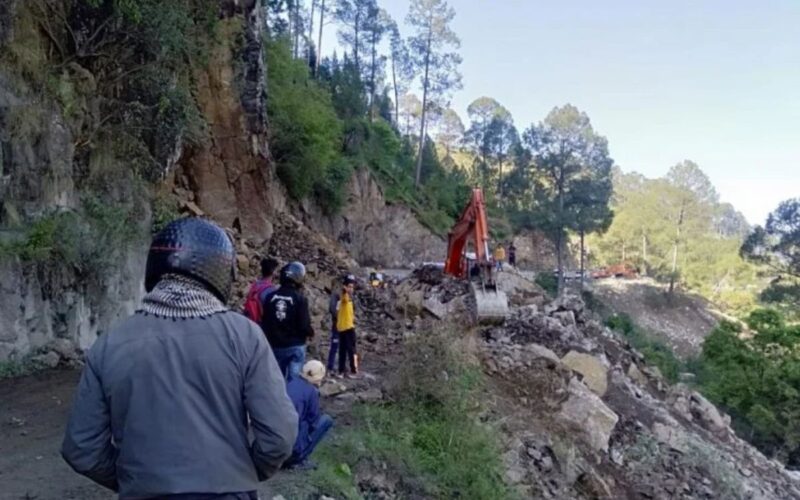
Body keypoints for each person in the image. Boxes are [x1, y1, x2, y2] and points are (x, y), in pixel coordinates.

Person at [61, 217, 298, 499]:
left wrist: (134, 481)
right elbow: (279, 435)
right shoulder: (244, 336)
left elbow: (81, 448)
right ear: (220, 272)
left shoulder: (110, 343)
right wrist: (243, 472)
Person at [262, 262, 314, 380]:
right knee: (293, 380)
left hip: (275, 346)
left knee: (276, 379)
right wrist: (311, 332)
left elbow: (265, 322)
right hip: (294, 346)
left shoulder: (270, 297)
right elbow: (304, 326)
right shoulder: (300, 299)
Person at [283, 360, 334, 470]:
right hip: (291, 451)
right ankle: (298, 459)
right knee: (326, 420)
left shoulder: (290, 384)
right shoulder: (312, 392)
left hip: (276, 446)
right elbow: (313, 422)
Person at [243, 257, 280, 323]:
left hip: (249, 320)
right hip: (260, 323)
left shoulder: (255, 285)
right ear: (273, 272)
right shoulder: (271, 290)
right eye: (276, 270)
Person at [337, 274, 359, 377]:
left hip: (346, 327)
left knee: (348, 350)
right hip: (345, 328)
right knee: (347, 351)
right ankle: (348, 370)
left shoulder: (349, 298)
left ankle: (348, 370)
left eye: (352, 287)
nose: (351, 289)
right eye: (349, 287)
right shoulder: (344, 296)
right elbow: (344, 298)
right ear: (345, 286)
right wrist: (345, 290)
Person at [326, 279, 341, 372]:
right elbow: (332, 309)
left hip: (342, 324)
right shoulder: (335, 296)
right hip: (337, 324)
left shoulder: (342, 296)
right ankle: (331, 365)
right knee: (335, 345)